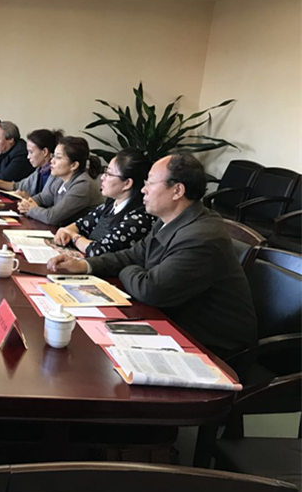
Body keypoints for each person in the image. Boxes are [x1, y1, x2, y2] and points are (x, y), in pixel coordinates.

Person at [47, 153, 257, 356]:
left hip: (209, 346)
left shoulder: (202, 237)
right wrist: (85, 265)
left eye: (150, 183)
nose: (143, 190)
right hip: (171, 321)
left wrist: (129, 270)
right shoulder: (169, 220)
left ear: (177, 190)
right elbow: (133, 255)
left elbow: (151, 289)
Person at [53, 148, 155, 256]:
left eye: (109, 174)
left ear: (127, 183)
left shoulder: (139, 218)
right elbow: (81, 225)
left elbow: (100, 250)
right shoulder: (110, 204)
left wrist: (74, 237)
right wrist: (65, 231)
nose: (102, 177)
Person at [17, 136, 104, 226]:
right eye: (53, 156)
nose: (52, 161)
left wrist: (30, 209)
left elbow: (52, 217)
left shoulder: (83, 185)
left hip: (77, 234)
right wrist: (27, 203)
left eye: (58, 157)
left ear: (74, 165)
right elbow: (43, 198)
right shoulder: (60, 178)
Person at [0, 128, 61, 196]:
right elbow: (19, 186)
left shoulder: (56, 176)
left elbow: (48, 203)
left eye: (31, 152)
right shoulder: (40, 171)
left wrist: (29, 199)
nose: (28, 156)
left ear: (44, 152)